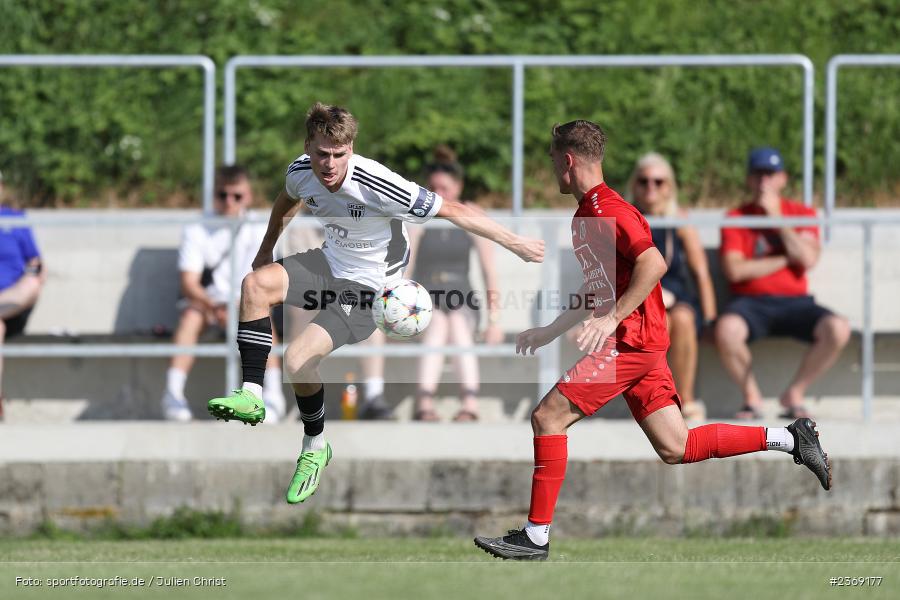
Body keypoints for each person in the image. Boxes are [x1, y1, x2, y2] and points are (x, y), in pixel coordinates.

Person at [473, 121, 831, 561]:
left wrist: (613, 319)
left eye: (552, 160)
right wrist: (551, 331)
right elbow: (599, 290)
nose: (551, 169)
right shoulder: (587, 214)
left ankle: (536, 536)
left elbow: (653, 262)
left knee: (548, 417)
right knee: (677, 447)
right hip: (642, 345)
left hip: (631, 345)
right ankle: (792, 438)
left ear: (568, 161)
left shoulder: (611, 211)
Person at [206, 102, 544, 505]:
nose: (329, 165)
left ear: (351, 149)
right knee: (254, 285)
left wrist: (517, 243)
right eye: (321, 154)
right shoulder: (301, 171)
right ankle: (251, 394)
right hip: (328, 263)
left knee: (297, 360)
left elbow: (452, 209)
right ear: (307, 147)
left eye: (339, 155)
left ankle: (314, 447)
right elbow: (287, 199)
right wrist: (266, 250)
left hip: (370, 290)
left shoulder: (378, 183)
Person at [715, 148, 850, 420]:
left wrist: (776, 219)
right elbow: (735, 271)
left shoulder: (802, 213)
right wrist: (786, 258)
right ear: (749, 180)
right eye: (758, 174)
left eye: (770, 174)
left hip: (796, 302)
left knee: (838, 328)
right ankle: (752, 398)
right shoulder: (737, 217)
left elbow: (809, 258)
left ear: (783, 179)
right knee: (726, 330)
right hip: (751, 303)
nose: (764, 181)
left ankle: (794, 394)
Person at [161, 165, 286, 422]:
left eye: (236, 196)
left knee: (262, 320)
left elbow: (269, 281)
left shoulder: (261, 227)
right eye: (222, 195)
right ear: (213, 196)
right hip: (206, 303)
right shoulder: (197, 228)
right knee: (190, 318)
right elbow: (189, 283)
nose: (229, 202)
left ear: (248, 197)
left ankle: (271, 395)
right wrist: (213, 306)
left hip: (247, 303)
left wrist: (238, 308)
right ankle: (172, 394)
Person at [408, 146, 504, 422]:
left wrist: (494, 321)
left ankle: (469, 405)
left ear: (458, 187)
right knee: (438, 322)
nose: (440, 194)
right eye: (433, 188)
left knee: (458, 324)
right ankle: (425, 404)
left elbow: (489, 271)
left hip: (462, 298)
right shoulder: (419, 216)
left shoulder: (471, 213)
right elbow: (406, 269)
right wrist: (416, 233)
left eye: (445, 188)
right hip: (426, 300)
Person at [627, 153, 716, 420]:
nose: (651, 188)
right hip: (638, 295)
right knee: (660, 323)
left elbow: (701, 272)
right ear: (635, 185)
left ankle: (685, 399)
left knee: (685, 319)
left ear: (669, 187)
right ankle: (657, 402)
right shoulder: (626, 219)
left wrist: (711, 318)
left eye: (658, 181)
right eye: (644, 181)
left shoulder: (680, 220)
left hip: (677, 294)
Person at [0, 170, 44, 421]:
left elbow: (37, 265)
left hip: (13, 302)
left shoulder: (15, 219)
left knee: (31, 283)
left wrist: (34, 277)